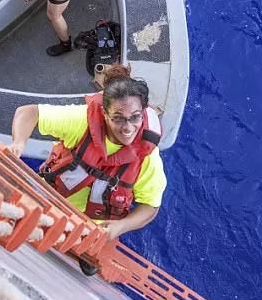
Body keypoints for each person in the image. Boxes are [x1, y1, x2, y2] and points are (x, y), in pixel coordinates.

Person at [9, 64, 166, 274]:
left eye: (135, 117)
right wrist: (19, 144)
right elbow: (28, 113)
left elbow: (150, 206)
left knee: (89, 265)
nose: (128, 127)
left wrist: (120, 227)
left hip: (94, 227)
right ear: (104, 113)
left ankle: (87, 248)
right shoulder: (82, 121)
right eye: (118, 118)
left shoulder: (148, 157)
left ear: (143, 113)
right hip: (50, 199)